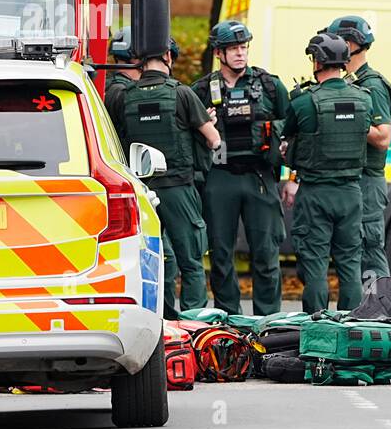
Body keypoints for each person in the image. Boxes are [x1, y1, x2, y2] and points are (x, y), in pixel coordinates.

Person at [107, 41, 221, 314]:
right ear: (168, 56)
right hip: (179, 189)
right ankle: (194, 323)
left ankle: (162, 319)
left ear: (138, 61)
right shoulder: (181, 93)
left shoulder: (125, 96)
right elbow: (214, 141)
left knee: (158, 259)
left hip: (143, 190)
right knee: (191, 261)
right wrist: (206, 125)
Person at [192, 20, 291, 315]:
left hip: (259, 176)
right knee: (220, 253)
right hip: (220, 177)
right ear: (219, 53)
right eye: (233, 48)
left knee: (266, 253)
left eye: (243, 47)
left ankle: (269, 321)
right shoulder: (201, 90)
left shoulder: (270, 86)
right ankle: (229, 320)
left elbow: (292, 130)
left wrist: (290, 172)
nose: (240, 53)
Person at [282, 32, 372, 312]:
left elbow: (286, 141)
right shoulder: (364, 99)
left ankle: (317, 328)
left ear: (317, 62)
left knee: (316, 265)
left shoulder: (304, 102)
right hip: (350, 193)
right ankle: (351, 325)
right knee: (350, 264)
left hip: (315, 193)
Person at [325, 15, 391, 278]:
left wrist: (349, 122)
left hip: (368, 182)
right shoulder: (351, 82)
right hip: (353, 179)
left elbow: (383, 136)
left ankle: (380, 311)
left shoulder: (372, 85)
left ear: (352, 43)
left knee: (370, 249)